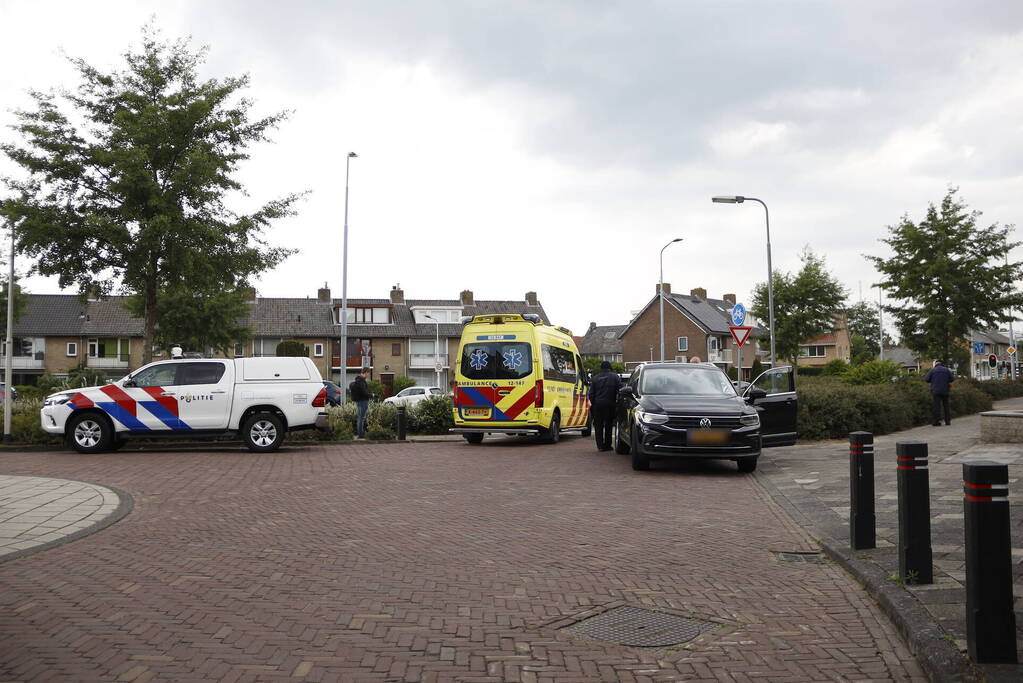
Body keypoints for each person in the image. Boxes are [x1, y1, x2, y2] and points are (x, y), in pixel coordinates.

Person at [587, 360, 622, 452]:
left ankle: (600, 446)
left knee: (598, 426)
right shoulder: (615, 377)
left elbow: (591, 394)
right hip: (610, 405)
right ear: (609, 367)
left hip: (597, 405)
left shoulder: (595, 378)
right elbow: (620, 390)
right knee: (609, 425)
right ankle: (607, 445)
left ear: (601, 368)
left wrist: (593, 405)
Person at [924, 360, 954, 426]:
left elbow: (926, 379)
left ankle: (936, 422)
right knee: (946, 406)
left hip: (936, 391)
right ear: (942, 364)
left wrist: (933, 380)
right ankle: (947, 421)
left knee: (937, 406)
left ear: (935, 364)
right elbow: (952, 379)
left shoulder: (932, 370)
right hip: (945, 390)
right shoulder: (946, 370)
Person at [351, 367, 373, 437]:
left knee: (360, 418)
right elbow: (364, 392)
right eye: (368, 373)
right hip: (363, 401)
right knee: (361, 418)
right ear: (366, 372)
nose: (368, 375)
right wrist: (371, 395)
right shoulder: (361, 381)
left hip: (359, 401)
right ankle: (361, 434)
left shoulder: (358, 380)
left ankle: (360, 433)